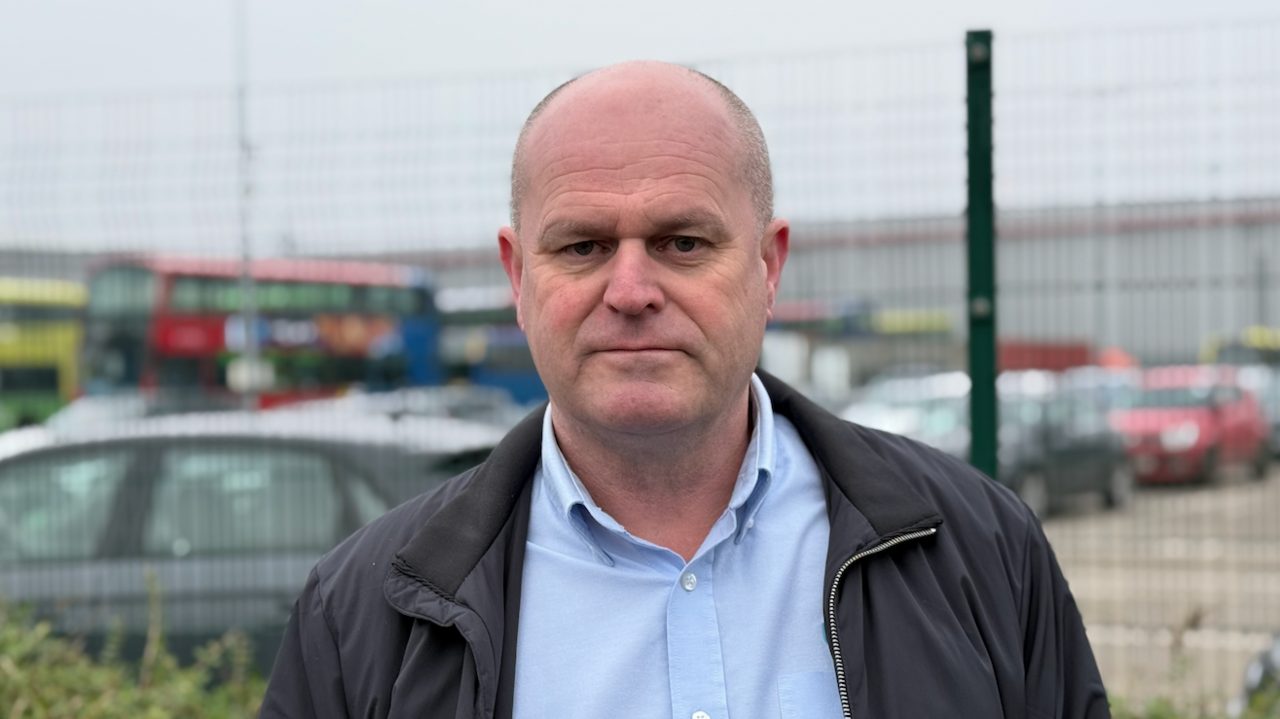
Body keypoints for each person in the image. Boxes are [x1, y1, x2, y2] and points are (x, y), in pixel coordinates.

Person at [259, 61, 1108, 719]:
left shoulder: (981, 549)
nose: (631, 290)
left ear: (769, 266)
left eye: (683, 243)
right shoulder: (363, 616)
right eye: (584, 246)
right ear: (518, 277)